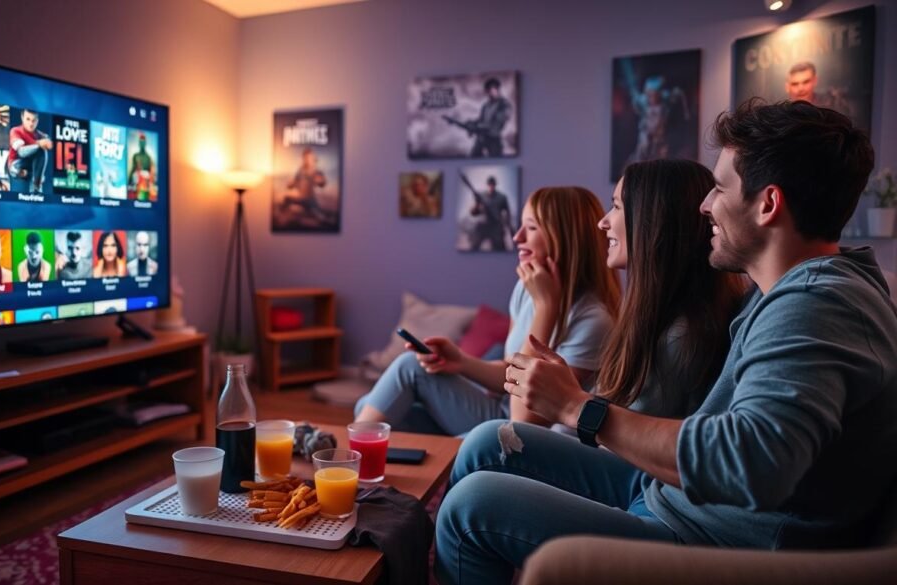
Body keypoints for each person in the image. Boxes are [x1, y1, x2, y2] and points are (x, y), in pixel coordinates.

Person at [433, 99, 897, 585]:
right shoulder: (781, 295)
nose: (704, 206)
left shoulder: (816, 303)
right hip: (677, 500)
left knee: (471, 507)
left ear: (767, 204)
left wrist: (577, 407)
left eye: (719, 188)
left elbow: (751, 462)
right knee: (491, 442)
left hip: (714, 540)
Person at [354, 186, 621, 436]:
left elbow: (524, 422)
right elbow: (510, 371)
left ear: (564, 240)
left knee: (406, 371)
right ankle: (360, 469)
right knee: (370, 405)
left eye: (530, 228)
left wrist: (546, 308)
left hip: (521, 435)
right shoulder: (526, 290)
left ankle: (344, 466)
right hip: (500, 411)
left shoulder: (593, 321)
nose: (517, 238)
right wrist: (459, 361)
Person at [595, 159, 747, 418]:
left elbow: (625, 448)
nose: (603, 222)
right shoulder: (665, 320)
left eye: (617, 207)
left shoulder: (681, 337)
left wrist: (568, 402)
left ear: (654, 222)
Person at [627, 75, 689, 165]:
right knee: (642, 152)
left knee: (660, 158)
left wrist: (686, 111)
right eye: (649, 94)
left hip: (660, 137)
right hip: (646, 135)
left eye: (653, 94)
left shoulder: (666, 101)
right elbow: (635, 102)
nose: (651, 97)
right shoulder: (643, 101)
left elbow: (679, 94)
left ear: (659, 93)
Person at [446, 77, 512, 157]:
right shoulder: (486, 105)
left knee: (497, 160)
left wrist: (476, 126)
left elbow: (496, 123)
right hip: (481, 137)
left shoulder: (504, 104)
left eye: (493, 89)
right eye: (488, 90)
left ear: (498, 89)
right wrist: (471, 123)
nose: (491, 92)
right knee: (473, 158)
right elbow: (481, 120)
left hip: (494, 138)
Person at [278, 148, 330, 223]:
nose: (307, 160)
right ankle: (282, 217)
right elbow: (292, 185)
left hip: (311, 200)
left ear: (312, 159)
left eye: (309, 158)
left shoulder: (316, 171)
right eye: (305, 158)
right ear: (303, 159)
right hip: (300, 199)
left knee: (321, 218)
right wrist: (290, 184)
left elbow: (323, 183)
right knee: (287, 199)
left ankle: (319, 216)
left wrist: (320, 181)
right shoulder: (300, 171)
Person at [8, 109, 53, 194]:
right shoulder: (15, 131)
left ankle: (36, 187)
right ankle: (33, 177)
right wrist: (38, 144)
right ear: (22, 118)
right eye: (28, 119)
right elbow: (21, 152)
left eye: (34, 120)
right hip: (17, 165)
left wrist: (49, 143)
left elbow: (49, 145)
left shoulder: (41, 135)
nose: (31, 123)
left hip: (33, 168)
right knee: (15, 169)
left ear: (37, 121)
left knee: (41, 152)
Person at [466, 175, 516, 252]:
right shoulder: (481, 196)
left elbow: (507, 213)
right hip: (483, 225)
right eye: (490, 184)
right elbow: (473, 213)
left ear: (495, 185)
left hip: (496, 226)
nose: (491, 186)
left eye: (492, 184)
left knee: (500, 250)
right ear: (487, 185)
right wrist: (478, 206)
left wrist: (507, 225)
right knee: (473, 247)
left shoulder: (502, 197)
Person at [128, 132, 156, 201]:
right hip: (137, 185)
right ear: (138, 143)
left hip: (146, 186)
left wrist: (150, 182)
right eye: (140, 142)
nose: (142, 143)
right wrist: (129, 182)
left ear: (145, 143)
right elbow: (133, 170)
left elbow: (152, 174)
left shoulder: (148, 157)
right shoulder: (135, 156)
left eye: (143, 142)